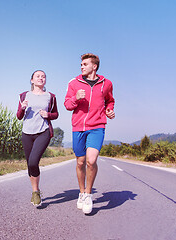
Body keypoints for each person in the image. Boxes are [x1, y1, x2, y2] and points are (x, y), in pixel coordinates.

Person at [64, 53, 115, 214]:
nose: (81, 66)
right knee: (80, 162)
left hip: (97, 126)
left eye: (85, 64)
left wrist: (110, 110)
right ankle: (81, 192)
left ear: (94, 66)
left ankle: (88, 194)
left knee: (91, 161)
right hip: (78, 127)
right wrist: (76, 98)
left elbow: (110, 100)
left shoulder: (106, 84)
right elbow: (67, 104)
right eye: (81, 64)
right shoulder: (73, 83)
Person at [16, 70, 59, 207]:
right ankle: (36, 192)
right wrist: (22, 108)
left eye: (43, 76)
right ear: (32, 80)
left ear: (45, 80)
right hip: (27, 133)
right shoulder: (24, 95)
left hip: (43, 131)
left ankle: (36, 191)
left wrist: (48, 114)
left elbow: (56, 114)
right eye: (38, 76)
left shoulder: (50, 96)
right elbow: (19, 116)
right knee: (30, 164)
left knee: (34, 162)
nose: (41, 78)